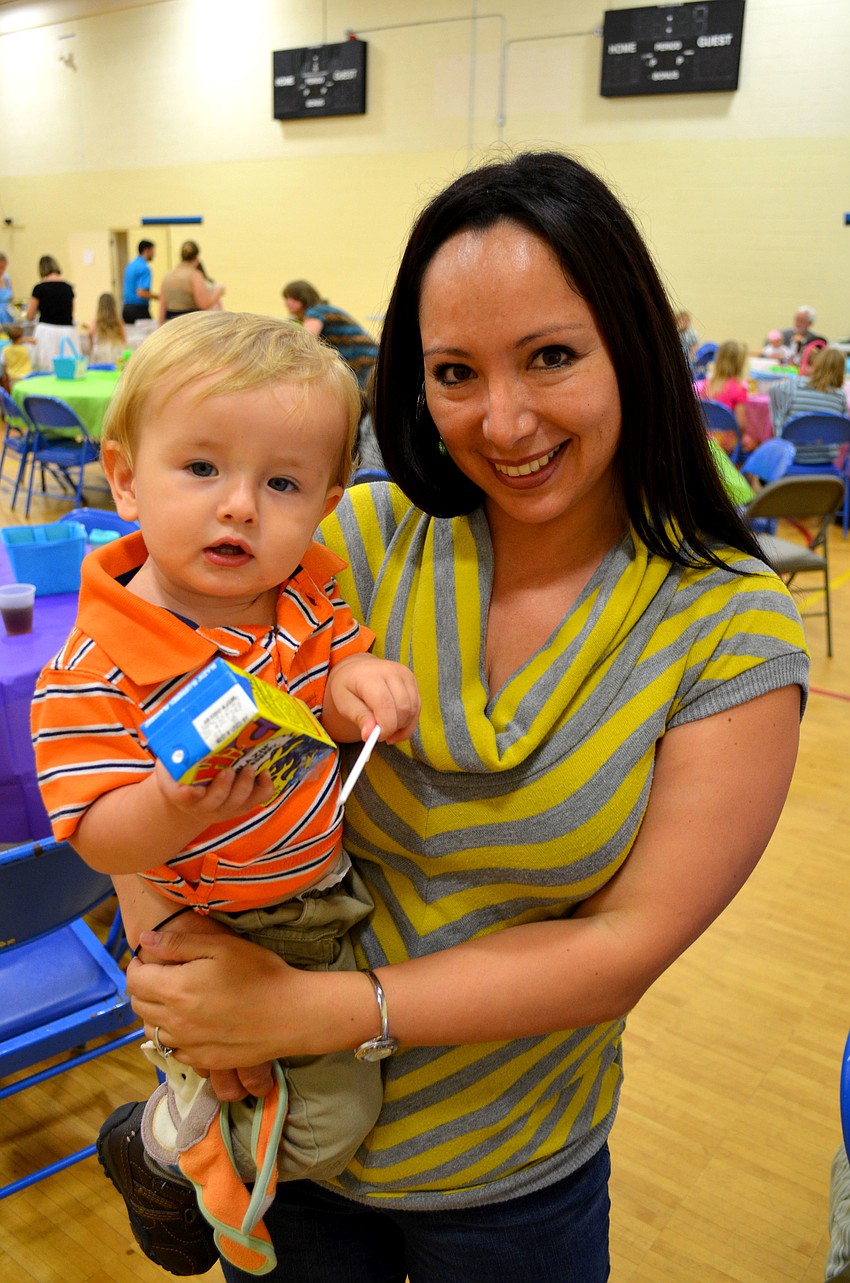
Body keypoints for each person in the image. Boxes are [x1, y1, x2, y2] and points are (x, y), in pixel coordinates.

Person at [113, 151, 808, 1283]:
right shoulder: (353, 543)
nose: (503, 419)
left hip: (510, 1176)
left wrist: (314, 1011)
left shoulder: (728, 633)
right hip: (279, 1140)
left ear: (630, 344)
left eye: (550, 356)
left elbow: (616, 948)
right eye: (452, 370)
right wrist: (175, 965)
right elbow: (145, 711)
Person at [30, 311, 420, 1277]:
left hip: (326, 899)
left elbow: (332, 685)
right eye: (201, 469)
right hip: (208, 929)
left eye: (282, 483)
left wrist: (358, 684)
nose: (241, 506)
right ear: (124, 476)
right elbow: (95, 836)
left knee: (329, 1101)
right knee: (333, 1121)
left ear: (327, 502)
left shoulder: (305, 602)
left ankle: (184, 1143)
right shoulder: (93, 666)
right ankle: (163, 1150)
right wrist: (169, 807)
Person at [282, 281, 378, 394]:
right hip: (367, 360)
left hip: (363, 362)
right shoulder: (323, 310)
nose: (286, 303)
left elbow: (305, 342)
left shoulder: (315, 312)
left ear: (302, 297)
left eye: (290, 298)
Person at [770, 345, 849, 463]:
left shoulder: (794, 386)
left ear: (816, 365)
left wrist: (779, 423)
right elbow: (842, 432)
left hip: (791, 458)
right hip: (826, 461)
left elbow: (773, 391)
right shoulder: (840, 396)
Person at [695, 339, 755, 453]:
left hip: (704, 439)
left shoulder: (705, 385)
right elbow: (741, 425)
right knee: (756, 442)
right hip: (726, 444)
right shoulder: (739, 388)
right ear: (741, 363)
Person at [25, 254, 76, 372]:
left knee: (46, 368)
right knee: (68, 368)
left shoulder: (39, 288)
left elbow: (30, 314)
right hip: (67, 331)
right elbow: (72, 311)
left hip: (46, 331)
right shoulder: (68, 288)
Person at [159, 240, 225, 323]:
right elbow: (204, 304)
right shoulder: (194, 275)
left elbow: (162, 307)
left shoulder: (168, 276)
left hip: (171, 323)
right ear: (197, 257)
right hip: (190, 324)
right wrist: (218, 292)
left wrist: (161, 326)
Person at [122, 239, 158, 324]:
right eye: (153, 251)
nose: (154, 254)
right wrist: (159, 297)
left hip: (126, 309)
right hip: (138, 310)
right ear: (146, 250)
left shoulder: (130, 265)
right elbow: (141, 293)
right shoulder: (144, 268)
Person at [87, 291, 127, 365]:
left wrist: (92, 345)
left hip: (101, 349)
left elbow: (90, 333)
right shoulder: (118, 321)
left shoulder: (97, 321)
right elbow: (124, 338)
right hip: (116, 349)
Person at [1, 323, 34, 389]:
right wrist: (26, 339)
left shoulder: (5, 349)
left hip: (13, 377)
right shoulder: (27, 348)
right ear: (22, 336)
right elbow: (34, 342)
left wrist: (6, 375)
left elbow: (4, 364)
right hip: (27, 375)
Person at [0, 252, 16, 326]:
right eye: (0, 267)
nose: (1, 270)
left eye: (3, 267)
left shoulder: (7, 278)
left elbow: (12, 297)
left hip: (9, 315)